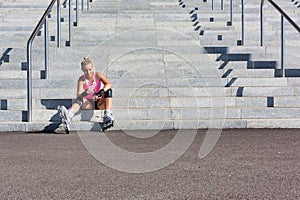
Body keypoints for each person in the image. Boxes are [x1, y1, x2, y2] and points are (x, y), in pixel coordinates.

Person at [57, 57, 114, 130]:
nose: (88, 72)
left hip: (100, 102)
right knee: (79, 99)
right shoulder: (81, 79)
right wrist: (85, 93)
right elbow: (78, 94)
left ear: (93, 67)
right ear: (82, 70)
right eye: (85, 71)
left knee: (108, 91)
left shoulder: (98, 75)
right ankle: (68, 116)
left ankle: (107, 115)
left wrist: (99, 93)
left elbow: (108, 84)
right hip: (89, 104)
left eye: (90, 69)